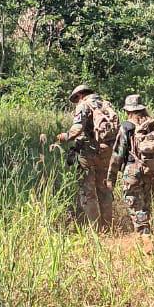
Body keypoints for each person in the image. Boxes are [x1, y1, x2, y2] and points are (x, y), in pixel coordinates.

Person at [54, 84, 118, 229]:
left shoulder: (83, 105)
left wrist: (64, 137)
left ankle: (95, 229)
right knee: (104, 188)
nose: (76, 102)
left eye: (76, 99)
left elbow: (77, 129)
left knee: (87, 190)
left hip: (88, 151)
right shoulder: (105, 104)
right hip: (107, 151)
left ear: (80, 95)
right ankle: (108, 227)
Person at [106, 94, 154, 235]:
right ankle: (146, 233)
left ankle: (145, 237)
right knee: (146, 205)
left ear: (128, 111)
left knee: (136, 207)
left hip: (132, 173)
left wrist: (111, 178)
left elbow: (117, 154)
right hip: (151, 171)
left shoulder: (126, 127)